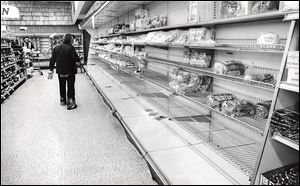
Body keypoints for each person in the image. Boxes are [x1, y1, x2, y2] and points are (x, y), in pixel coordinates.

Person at [49, 33, 80, 110]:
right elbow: (75, 59)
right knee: (70, 86)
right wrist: (78, 58)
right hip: (70, 71)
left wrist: (51, 69)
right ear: (70, 40)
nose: (73, 41)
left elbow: (52, 59)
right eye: (72, 40)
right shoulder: (71, 48)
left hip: (60, 71)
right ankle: (71, 103)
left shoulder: (56, 48)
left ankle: (62, 100)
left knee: (62, 85)